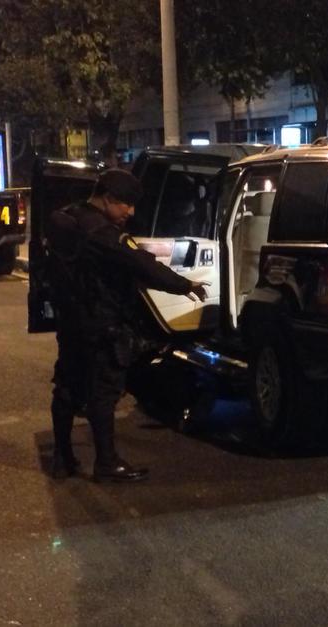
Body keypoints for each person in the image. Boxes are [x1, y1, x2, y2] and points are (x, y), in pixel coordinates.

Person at [47, 169, 208, 482]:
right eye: (126, 205)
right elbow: (141, 264)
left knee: (67, 387)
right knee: (103, 393)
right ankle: (107, 463)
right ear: (108, 199)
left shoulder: (67, 218)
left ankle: (62, 456)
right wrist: (183, 285)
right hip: (102, 323)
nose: (131, 212)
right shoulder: (102, 233)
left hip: (71, 321)